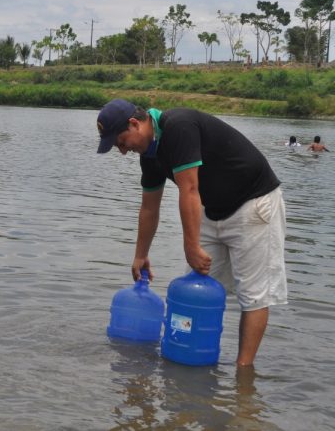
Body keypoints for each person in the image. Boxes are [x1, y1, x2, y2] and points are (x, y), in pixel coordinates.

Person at [96, 99, 287, 367]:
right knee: (197, 290)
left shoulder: (178, 127)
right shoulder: (149, 154)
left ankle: (244, 376)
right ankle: (191, 364)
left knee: (253, 296)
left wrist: (191, 246)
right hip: (214, 209)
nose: (123, 152)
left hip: (254, 205)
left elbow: (190, 190)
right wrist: (140, 255)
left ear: (134, 124)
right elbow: (149, 207)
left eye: (122, 143)